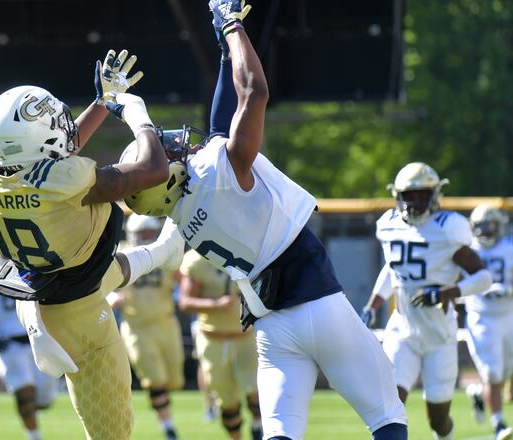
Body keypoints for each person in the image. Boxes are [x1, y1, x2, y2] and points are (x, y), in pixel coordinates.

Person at [121, 1, 409, 439]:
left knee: (279, 434)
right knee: (388, 417)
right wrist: (233, 25)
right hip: (317, 301)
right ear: (166, 176)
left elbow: (220, 122)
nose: (178, 144)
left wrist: (223, 49)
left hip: (270, 326)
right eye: (167, 149)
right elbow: (254, 92)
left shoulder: (179, 216)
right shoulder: (218, 171)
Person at [0, 49, 183, 439]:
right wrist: (137, 114)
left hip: (43, 280)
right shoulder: (61, 183)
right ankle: (47, 326)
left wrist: (100, 103)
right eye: (55, 123)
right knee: (112, 433)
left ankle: (166, 251)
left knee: (119, 268)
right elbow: (152, 169)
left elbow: (50, 154)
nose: (64, 126)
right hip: (76, 309)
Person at [362, 163, 493, 440]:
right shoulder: (389, 225)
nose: (416, 201)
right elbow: (393, 269)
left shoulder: (447, 228)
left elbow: (483, 278)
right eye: (410, 195)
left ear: (435, 195)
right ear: (398, 196)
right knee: (389, 406)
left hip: (438, 336)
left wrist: (448, 293)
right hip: (402, 332)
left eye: (422, 194)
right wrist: (373, 306)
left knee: (438, 421)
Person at [107, 214, 183, 440]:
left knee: (174, 380)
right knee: (154, 379)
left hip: (166, 322)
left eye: (150, 233)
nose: (147, 237)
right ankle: (168, 426)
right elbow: (103, 281)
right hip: (136, 326)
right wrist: (112, 297)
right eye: (143, 233)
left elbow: (181, 277)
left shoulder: (163, 250)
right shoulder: (120, 253)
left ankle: (164, 412)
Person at [0, 262, 58, 439]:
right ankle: (34, 436)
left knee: (45, 400)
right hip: (8, 344)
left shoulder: (36, 266)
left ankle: (32, 415)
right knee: (24, 394)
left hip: (37, 339)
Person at [179, 248, 262, 440]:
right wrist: (216, 305)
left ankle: (258, 427)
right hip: (212, 337)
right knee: (227, 402)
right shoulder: (196, 260)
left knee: (257, 391)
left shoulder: (248, 250)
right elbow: (186, 302)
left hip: (246, 335)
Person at [463, 205, 513, 440]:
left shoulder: (508, 247)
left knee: (504, 372)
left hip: (509, 314)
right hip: (481, 316)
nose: (484, 230)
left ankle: (477, 393)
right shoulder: (467, 249)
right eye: (480, 225)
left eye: (489, 224)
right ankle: (499, 423)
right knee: (493, 373)